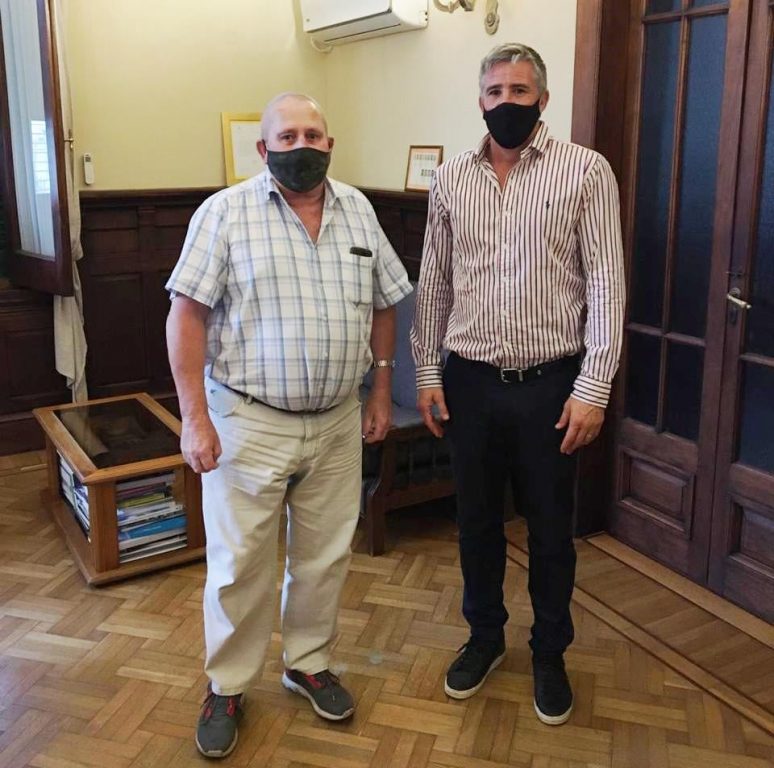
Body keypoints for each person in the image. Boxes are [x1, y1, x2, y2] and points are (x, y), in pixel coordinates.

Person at [166, 92, 412, 759]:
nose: (301, 145)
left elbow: (385, 304)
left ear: (329, 144)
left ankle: (307, 662)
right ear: (263, 148)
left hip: (336, 421)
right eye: (287, 136)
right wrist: (194, 420)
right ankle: (227, 685)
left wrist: (380, 391)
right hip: (247, 421)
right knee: (239, 564)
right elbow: (185, 316)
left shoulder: (358, 210)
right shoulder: (224, 214)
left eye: (312, 134)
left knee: (324, 557)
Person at [410, 43, 625, 726]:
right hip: (469, 383)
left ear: (543, 99)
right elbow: (434, 282)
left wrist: (593, 387)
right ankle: (484, 637)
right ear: (481, 100)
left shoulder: (585, 170)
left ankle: (549, 653)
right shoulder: (451, 179)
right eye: (496, 91)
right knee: (475, 522)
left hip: (550, 387)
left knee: (551, 530)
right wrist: (427, 372)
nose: (508, 102)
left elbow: (607, 284)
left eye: (521, 91)